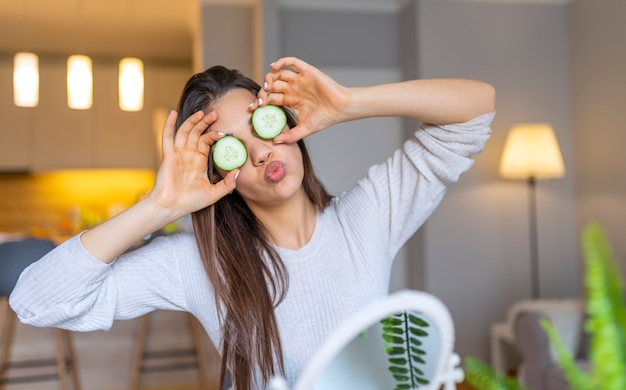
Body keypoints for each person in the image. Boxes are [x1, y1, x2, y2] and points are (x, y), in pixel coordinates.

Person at [10, 57, 496, 389]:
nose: (263, 152)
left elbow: (475, 108)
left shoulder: (367, 218)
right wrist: (159, 206)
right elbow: (35, 301)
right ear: (222, 175)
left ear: (290, 124)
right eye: (235, 148)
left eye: (264, 123)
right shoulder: (200, 265)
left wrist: (348, 103)